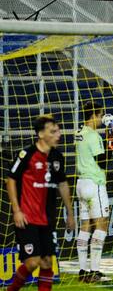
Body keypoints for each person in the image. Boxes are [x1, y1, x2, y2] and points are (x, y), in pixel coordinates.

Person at [7, 115, 75, 291]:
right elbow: (11, 180)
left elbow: (62, 184)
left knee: (46, 262)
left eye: (58, 130)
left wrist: (70, 213)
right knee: (33, 262)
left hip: (48, 219)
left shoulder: (57, 157)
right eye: (53, 131)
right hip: (27, 218)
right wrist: (16, 210)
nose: (58, 135)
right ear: (41, 134)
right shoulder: (26, 154)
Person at [75, 102, 113, 283]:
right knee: (101, 225)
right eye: (99, 115)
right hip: (94, 184)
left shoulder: (79, 134)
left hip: (81, 183)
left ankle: (83, 271)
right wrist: (112, 133)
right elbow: (104, 162)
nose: (100, 119)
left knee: (84, 227)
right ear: (93, 116)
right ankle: (95, 271)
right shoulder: (93, 137)